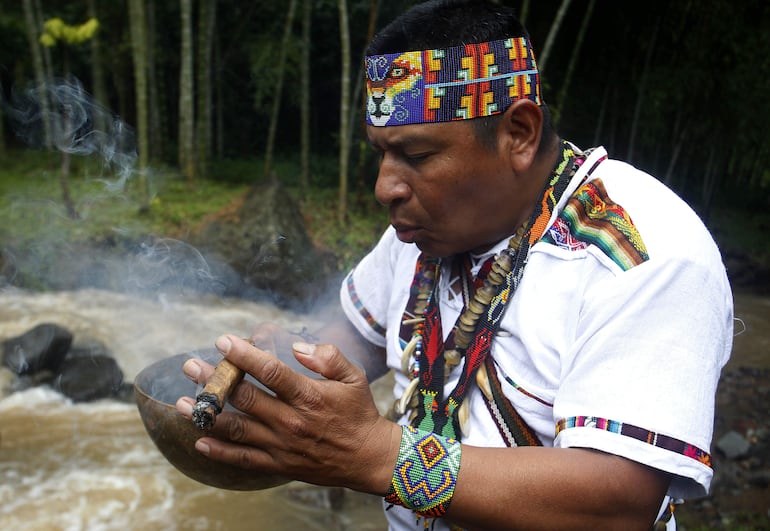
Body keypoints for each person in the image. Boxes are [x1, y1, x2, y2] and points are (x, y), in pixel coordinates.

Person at [175, 1, 733, 529]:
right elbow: (356, 339)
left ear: (519, 134)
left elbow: (617, 502)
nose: (384, 187)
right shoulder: (425, 231)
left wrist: (377, 456)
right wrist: (282, 375)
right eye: (381, 153)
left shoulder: (643, 258)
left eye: (416, 156)